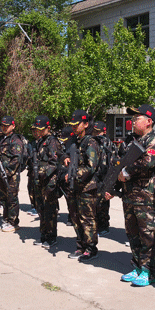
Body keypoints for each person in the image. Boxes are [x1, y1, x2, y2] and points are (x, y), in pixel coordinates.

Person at [105, 105, 155, 286]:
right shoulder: (131, 141)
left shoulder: (154, 141)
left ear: (149, 122)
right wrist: (112, 185)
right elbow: (118, 162)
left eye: (137, 118)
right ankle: (138, 266)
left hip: (147, 197)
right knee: (132, 233)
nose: (132, 121)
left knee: (148, 235)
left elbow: (148, 162)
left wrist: (127, 171)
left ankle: (149, 271)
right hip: (130, 196)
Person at [63, 110, 101, 262]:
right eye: (71, 125)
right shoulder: (75, 141)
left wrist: (73, 175)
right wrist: (65, 157)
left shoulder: (90, 142)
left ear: (85, 124)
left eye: (76, 124)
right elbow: (67, 153)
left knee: (87, 219)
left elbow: (91, 167)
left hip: (86, 188)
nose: (73, 127)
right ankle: (81, 246)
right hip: (74, 187)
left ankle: (91, 248)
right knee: (75, 217)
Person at [30, 115, 62, 248]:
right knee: (41, 209)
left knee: (49, 210)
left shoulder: (52, 142)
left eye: (40, 129)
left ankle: (51, 237)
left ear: (47, 128)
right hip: (39, 181)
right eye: (36, 128)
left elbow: (55, 162)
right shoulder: (39, 141)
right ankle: (43, 235)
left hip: (49, 182)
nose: (37, 131)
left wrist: (42, 172)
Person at [0, 116, 24, 232]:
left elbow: (16, 159)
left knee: (12, 198)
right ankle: (6, 219)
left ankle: (13, 222)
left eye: (7, 126)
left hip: (11, 175)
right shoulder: (1, 139)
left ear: (13, 126)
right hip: (1, 173)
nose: (4, 128)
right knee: (4, 198)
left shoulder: (15, 140)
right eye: (3, 126)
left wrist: (6, 172)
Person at [92, 121, 114, 236]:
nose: (96, 134)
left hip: (105, 176)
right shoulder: (94, 142)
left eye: (98, 131)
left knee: (103, 203)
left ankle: (104, 226)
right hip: (96, 176)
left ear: (104, 131)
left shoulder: (107, 143)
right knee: (96, 202)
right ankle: (99, 225)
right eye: (95, 131)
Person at [57, 126, 77, 228]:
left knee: (71, 198)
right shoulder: (62, 144)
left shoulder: (74, 145)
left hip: (69, 175)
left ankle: (72, 217)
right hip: (61, 174)